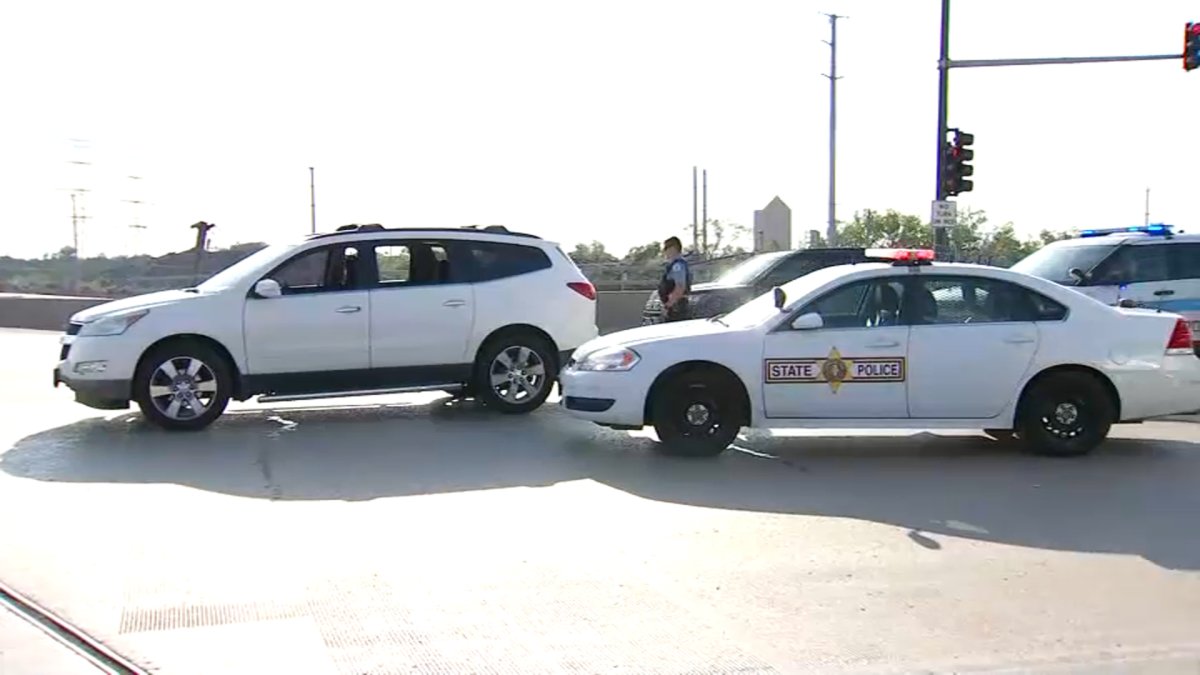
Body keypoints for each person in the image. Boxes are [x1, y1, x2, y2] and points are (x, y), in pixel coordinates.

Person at [658, 236, 693, 322]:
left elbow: (680, 287)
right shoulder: (673, 265)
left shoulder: (678, 266)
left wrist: (668, 305)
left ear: (673, 248)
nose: (664, 251)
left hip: (676, 307)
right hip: (675, 306)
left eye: (666, 248)